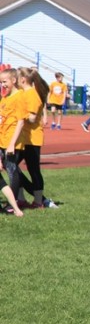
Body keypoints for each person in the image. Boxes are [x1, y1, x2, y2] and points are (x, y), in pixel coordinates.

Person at [14, 67, 49, 208]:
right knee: (11, 166)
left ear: (23, 79)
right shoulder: (22, 93)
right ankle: (21, 198)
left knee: (33, 170)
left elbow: (33, 118)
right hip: (22, 138)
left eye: (17, 77)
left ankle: (38, 201)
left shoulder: (32, 95)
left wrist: (17, 115)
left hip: (32, 139)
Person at [0, 69, 24, 216]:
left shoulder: (19, 97)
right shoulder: (5, 98)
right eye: (1, 82)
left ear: (14, 80)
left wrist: (12, 144)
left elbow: (20, 122)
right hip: (2, 139)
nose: (2, 85)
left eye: (5, 82)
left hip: (11, 141)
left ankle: (12, 204)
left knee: (11, 170)